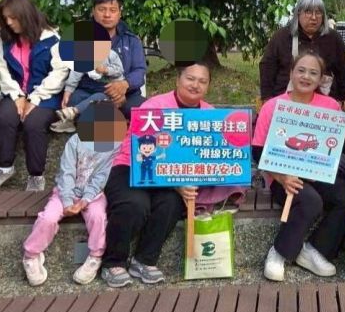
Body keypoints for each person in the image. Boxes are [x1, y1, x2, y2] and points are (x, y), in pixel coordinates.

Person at [100, 61, 248, 287]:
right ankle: (113, 263)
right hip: (133, 168)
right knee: (135, 204)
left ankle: (144, 260)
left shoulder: (211, 116)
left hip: (173, 180)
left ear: (208, 86)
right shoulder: (155, 106)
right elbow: (138, 151)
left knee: (171, 203)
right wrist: (174, 181)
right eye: (190, 78)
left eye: (202, 81)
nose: (195, 85)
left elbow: (214, 157)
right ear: (178, 80)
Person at [255, 51, 345, 281]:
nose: (306, 76)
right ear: (291, 73)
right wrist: (282, 177)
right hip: (281, 175)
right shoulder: (273, 106)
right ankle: (279, 252)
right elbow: (258, 150)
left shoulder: (330, 105)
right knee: (311, 201)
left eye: (313, 73)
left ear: (321, 79)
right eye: (301, 70)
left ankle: (314, 250)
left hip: (318, 171)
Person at [22, 102, 122, 287]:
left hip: (94, 195)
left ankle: (95, 256)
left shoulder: (115, 146)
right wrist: (68, 201)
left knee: (98, 217)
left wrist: (85, 200)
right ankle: (31, 255)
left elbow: (102, 176)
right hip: (65, 191)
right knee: (48, 218)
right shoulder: (75, 141)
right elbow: (66, 172)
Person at [0, 0, 70, 193]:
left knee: (34, 123)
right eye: (5, 18)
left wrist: (35, 99)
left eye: (13, 17)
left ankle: (36, 176)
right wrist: (17, 96)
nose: (9, 23)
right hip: (15, 93)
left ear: (25, 15)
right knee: (4, 118)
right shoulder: (5, 40)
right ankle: (5, 168)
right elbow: (3, 71)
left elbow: (59, 72)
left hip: (46, 95)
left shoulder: (51, 39)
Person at [60, 0, 147, 119]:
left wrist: (124, 85)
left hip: (127, 94)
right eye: (102, 9)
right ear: (93, 11)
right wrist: (68, 90)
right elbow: (75, 70)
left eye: (113, 10)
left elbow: (139, 71)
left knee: (145, 111)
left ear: (120, 13)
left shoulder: (131, 41)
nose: (107, 15)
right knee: (76, 103)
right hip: (89, 93)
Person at [259, 0, 345, 103]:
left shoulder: (333, 38)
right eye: (308, 12)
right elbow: (267, 68)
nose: (314, 17)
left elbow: (343, 73)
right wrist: (267, 99)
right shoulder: (282, 36)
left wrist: (343, 100)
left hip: (324, 104)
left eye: (318, 13)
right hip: (285, 102)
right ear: (298, 14)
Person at [51, 20, 127, 133]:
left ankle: (74, 112)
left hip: (107, 88)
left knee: (98, 97)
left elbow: (119, 70)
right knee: (76, 96)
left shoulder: (111, 55)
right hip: (89, 87)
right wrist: (68, 91)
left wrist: (106, 70)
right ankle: (69, 122)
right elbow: (75, 74)